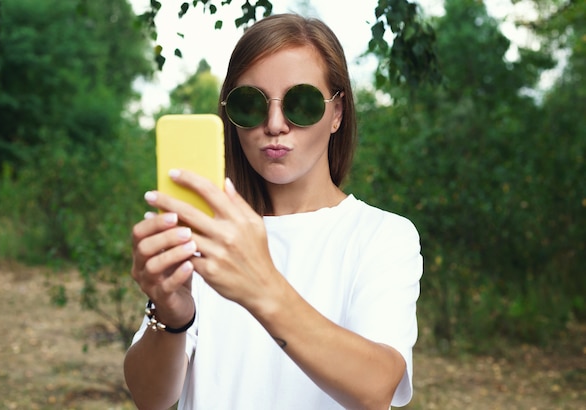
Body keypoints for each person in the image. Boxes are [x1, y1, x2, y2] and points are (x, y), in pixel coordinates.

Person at [124, 13, 422, 410]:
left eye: (302, 103)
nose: (275, 124)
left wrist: (259, 285)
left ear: (337, 113)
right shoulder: (205, 230)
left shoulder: (382, 236)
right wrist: (173, 315)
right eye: (251, 104)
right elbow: (151, 399)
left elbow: (376, 389)